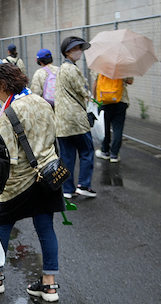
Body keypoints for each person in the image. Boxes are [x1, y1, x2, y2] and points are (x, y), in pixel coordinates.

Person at [0, 63, 64, 302]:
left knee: (2, 227)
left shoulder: (10, 113)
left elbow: (7, 156)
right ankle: (49, 285)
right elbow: (52, 136)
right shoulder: (42, 102)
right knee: (46, 228)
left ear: (4, 86)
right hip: (47, 177)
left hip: (19, 182)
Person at [54, 36, 96, 199]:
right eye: (76, 48)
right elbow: (83, 91)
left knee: (67, 156)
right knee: (86, 150)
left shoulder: (61, 69)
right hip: (76, 119)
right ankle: (84, 185)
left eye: (80, 48)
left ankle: (67, 189)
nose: (80, 51)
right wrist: (91, 97)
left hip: (63, 121)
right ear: (68, 52)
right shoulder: (72, 69)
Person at [93, 75, 134, 163]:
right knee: (117, 128)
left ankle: (105, 151)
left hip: (104, 100)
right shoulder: (124, 65)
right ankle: (114, 155)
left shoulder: (101, 64)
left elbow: (95, 83)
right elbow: (130, 81)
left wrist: (94, 99)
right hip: (120, 100)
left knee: (104, 128)